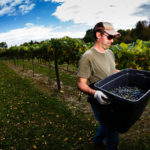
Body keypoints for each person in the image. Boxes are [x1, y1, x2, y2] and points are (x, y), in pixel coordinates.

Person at [77, 22, 120, 150]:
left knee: (106, 124)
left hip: (113, 97)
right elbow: (81, 83)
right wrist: (95, 93)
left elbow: (112, 69)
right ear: (98, 35)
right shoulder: (87, 57)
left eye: (113, 37)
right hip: (99, 101)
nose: (112, 41)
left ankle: (97, 140)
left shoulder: (110, 52)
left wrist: (123, 73)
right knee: (113, 132)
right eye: (109, 37)